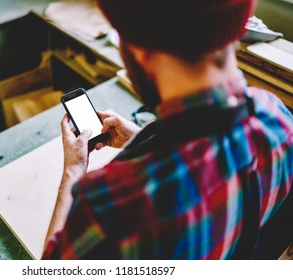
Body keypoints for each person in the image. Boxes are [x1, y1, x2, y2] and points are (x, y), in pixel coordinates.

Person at [42, 0, 293, 259]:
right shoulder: (277, 118)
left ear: (138, 51)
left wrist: (73, 170)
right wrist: (146, 139)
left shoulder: (111, 206)